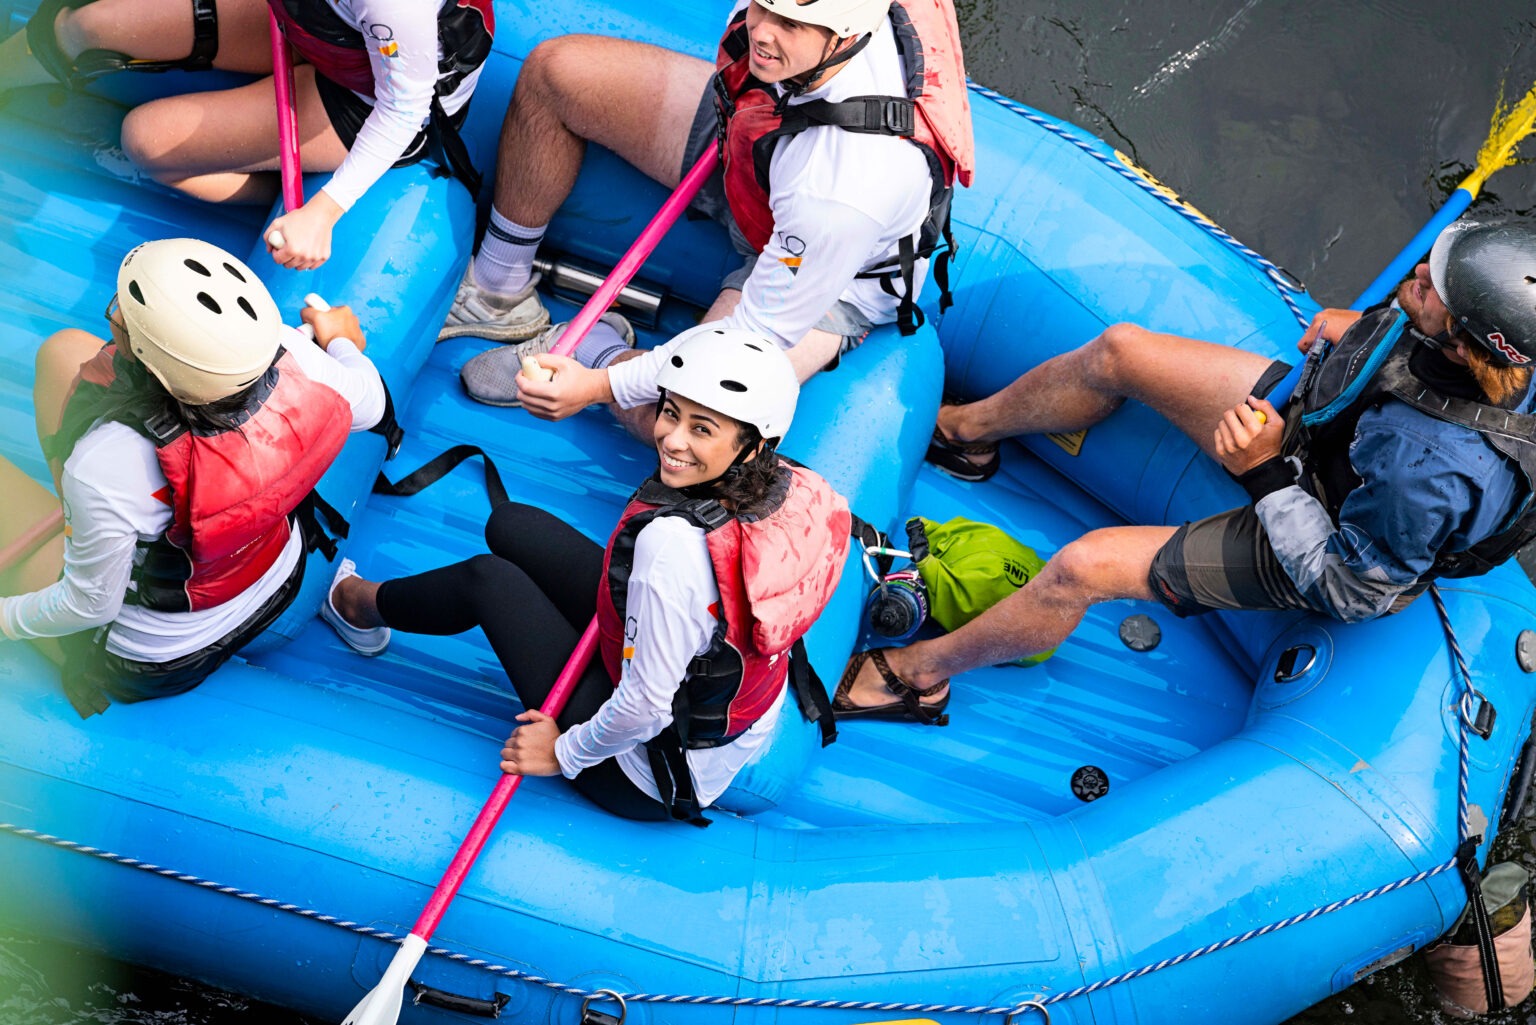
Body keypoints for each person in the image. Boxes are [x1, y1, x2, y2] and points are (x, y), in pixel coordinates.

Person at [836, 217, 1536, 717]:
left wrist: (1264, 473)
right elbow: (1412, 352)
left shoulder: (1430, 472)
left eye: (1434, 287)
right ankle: (963, 432)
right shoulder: (1484, 346)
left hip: (1325, 535)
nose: (1419, 272)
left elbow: (1351, 586)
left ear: (1468, 344)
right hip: (1332, 436)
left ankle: (917, 675)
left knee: (1084, 567)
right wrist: (1357, 333)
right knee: (1120, 350)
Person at [323, 327, 851, 822]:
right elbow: (662, 371)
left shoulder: (672, 550)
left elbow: (645, 709)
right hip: (696, 687)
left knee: (488, 580)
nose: (672, 440)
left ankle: (352, 605)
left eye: (702, 429)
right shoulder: (785, 480)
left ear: (751, 444)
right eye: (671, 413)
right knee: (513, 525)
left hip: (644, 765)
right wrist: (595, 384)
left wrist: (561, 752)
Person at [446, 0, 973, 422]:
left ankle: (594, 350)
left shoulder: (843, 189)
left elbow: (741, 345)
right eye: (764, 7)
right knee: (555, 73)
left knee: (692, 417)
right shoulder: (802, 49)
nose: (762, 31)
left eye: (791, 22)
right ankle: (497, 289)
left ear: (845, 35)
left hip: (833, 270)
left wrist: (599, 385)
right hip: (762, 138)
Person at [0, 237, 388, 717]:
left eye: (120, 313)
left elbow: (89, 608)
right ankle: (103, 529)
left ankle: (102, 529)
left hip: (154, 657)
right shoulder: (285, 350)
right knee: (66, 352)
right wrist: (341, 338)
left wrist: (6, 620)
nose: (116, 312)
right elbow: (372, 401)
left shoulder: (106, 465)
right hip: (275, 578)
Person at [0, 0, 494, 270]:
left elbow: (403, 109)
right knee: (96, 23)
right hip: (317, 26)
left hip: (369, 98)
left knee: (148, 140)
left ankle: (275, 190)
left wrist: (323, 211)